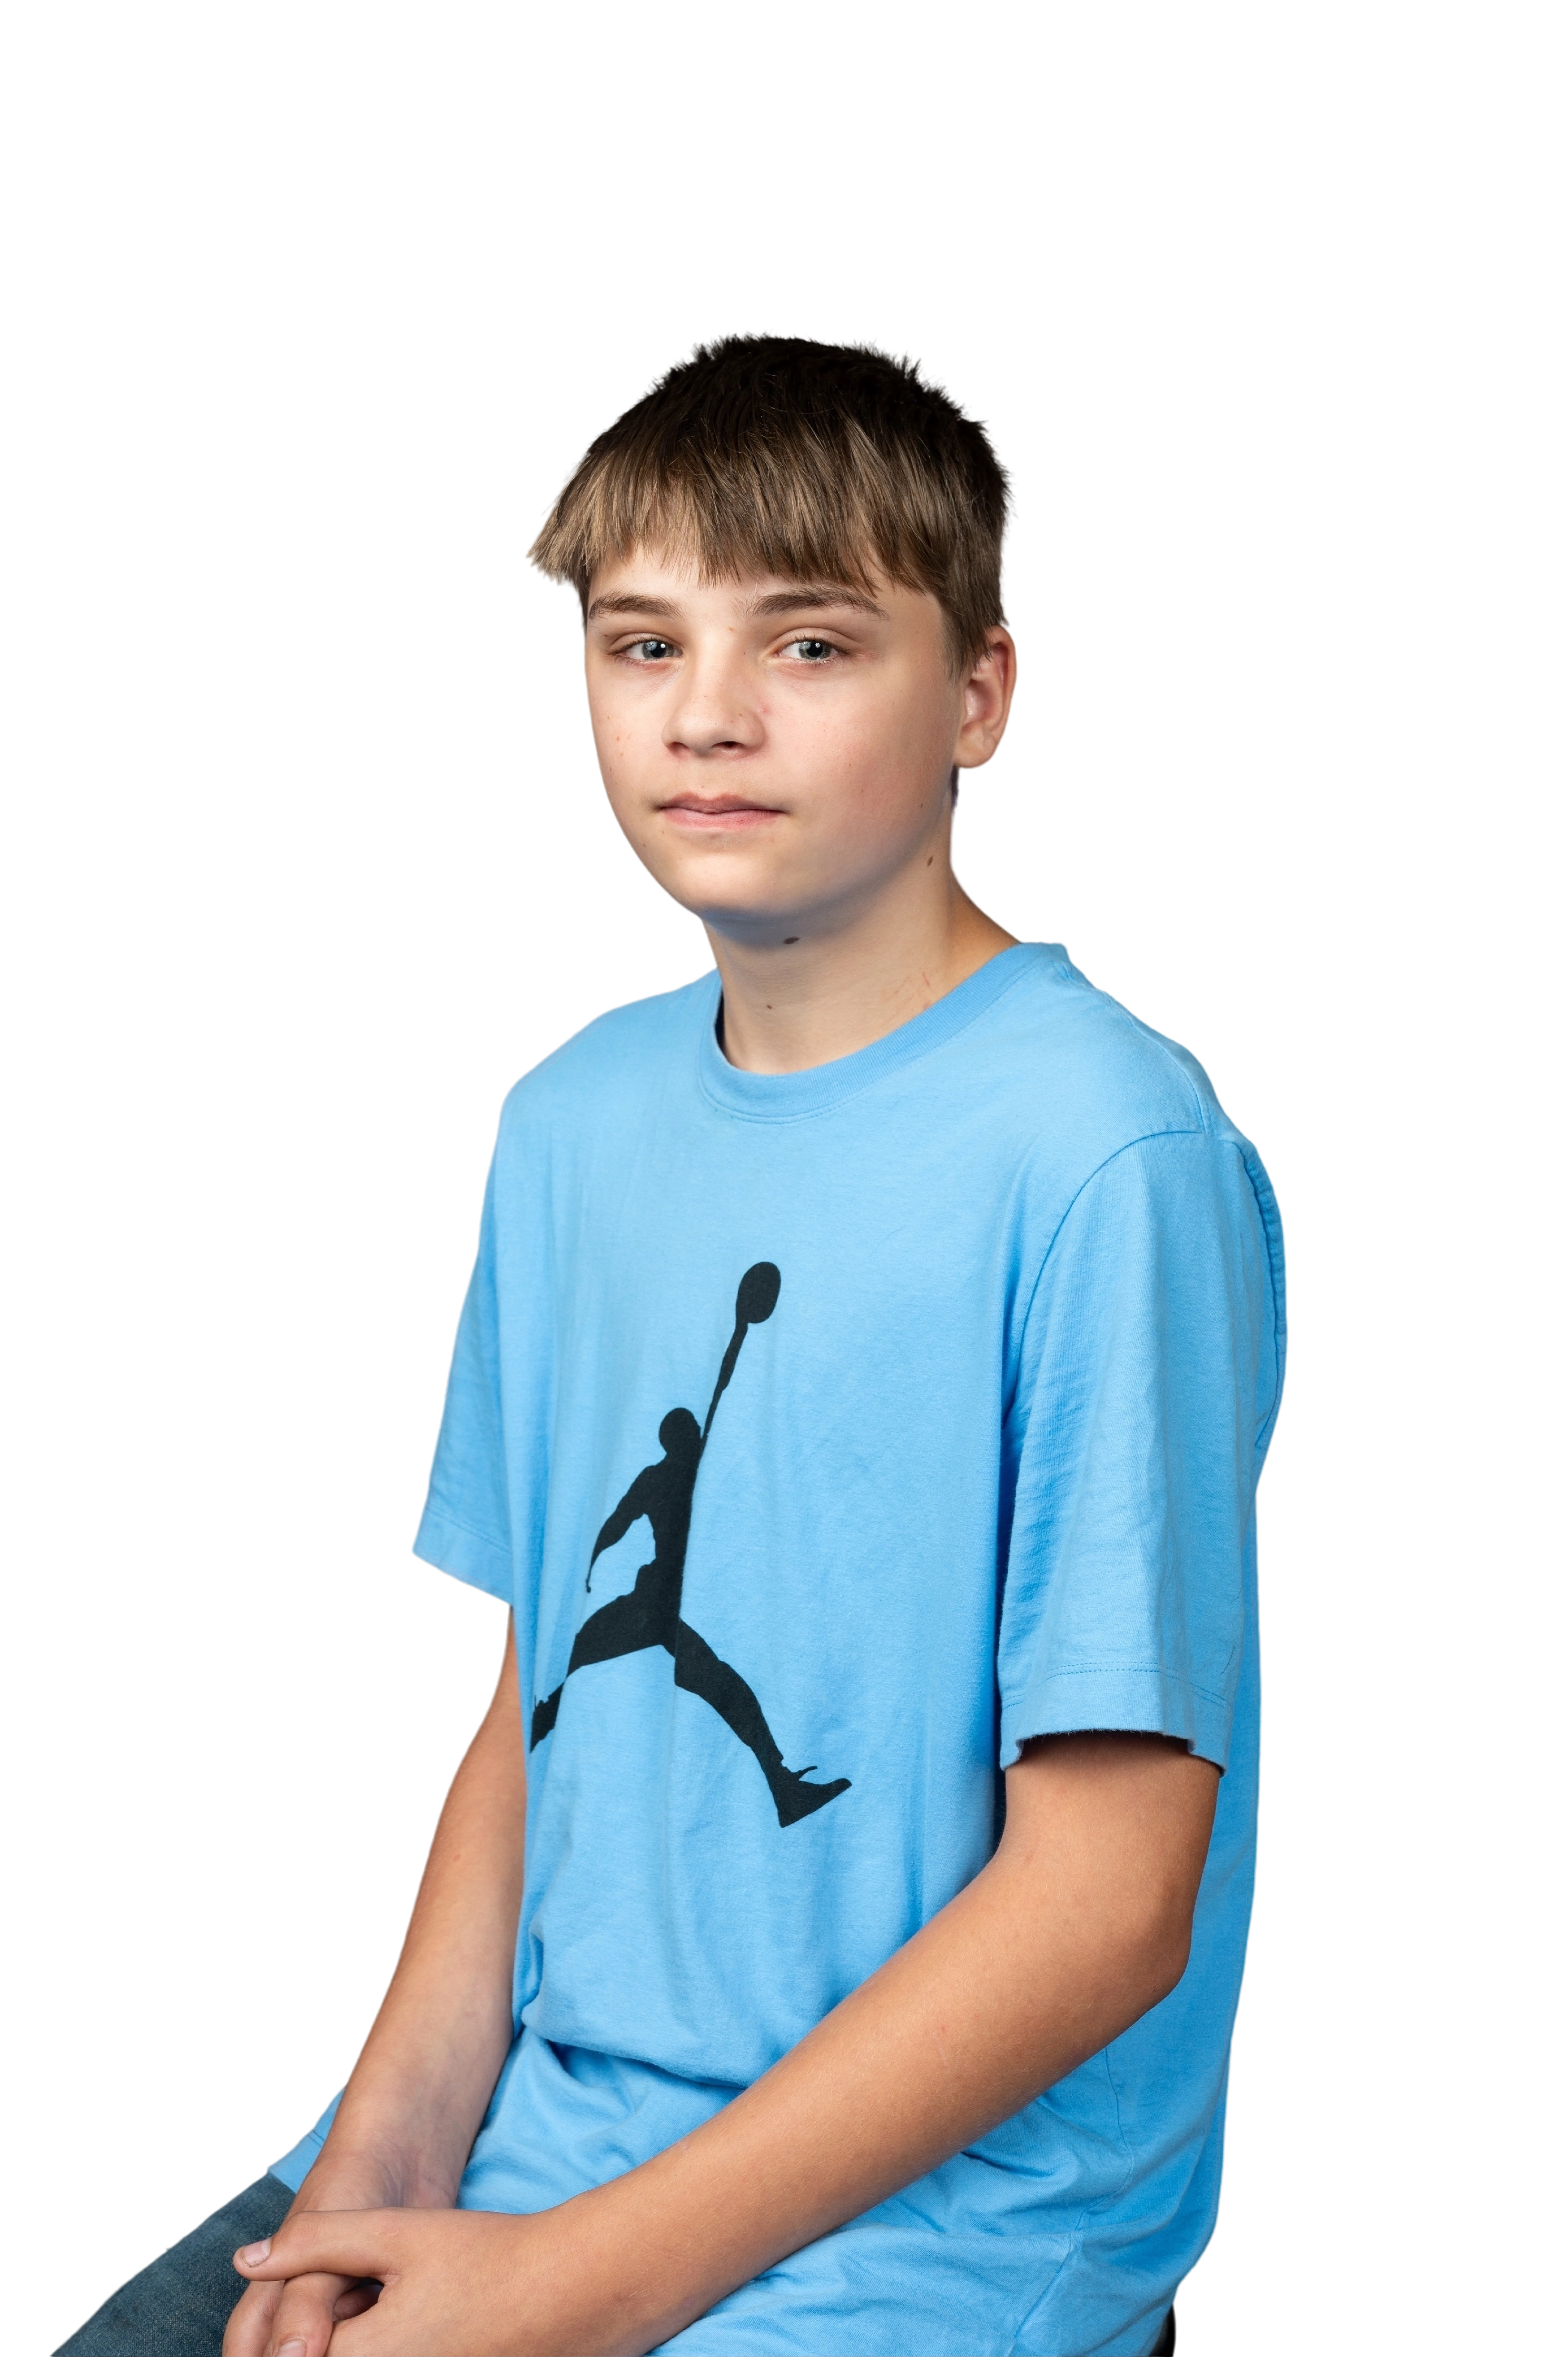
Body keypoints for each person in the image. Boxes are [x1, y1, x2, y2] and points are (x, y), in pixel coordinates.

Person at [56, 327, 1286, 2357]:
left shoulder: (1104, 1157)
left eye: (809, 644)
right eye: (642, 645)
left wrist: (567, 2289)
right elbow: (545, 1707)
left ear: (978, 695)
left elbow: (1106, 1903)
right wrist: (375, 2173)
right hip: (547, 2134)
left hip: (937, 2244)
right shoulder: (568, 1121)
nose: (707, 714)